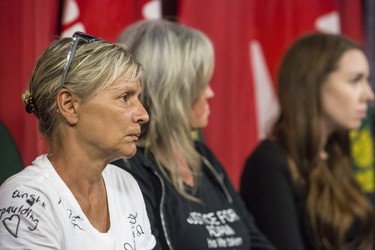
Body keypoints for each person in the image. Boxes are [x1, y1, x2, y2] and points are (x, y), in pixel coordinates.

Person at [112, 19, 274, 250]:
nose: (210, 92)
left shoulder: (202, 157)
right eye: (201, 82)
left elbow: (255, 239)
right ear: (171, 91)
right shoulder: (126, 168)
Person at [0, 31, 156, 249]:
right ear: (70, 105)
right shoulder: (27, 198)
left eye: (137, 98)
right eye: (124, 97)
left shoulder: (126, 184)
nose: (143, 114)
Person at [240, 32, 375, 250]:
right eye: (355, 80)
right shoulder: (269, 164)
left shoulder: (335, 153)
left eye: (366, 81)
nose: (369, 95)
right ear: (313, 85)